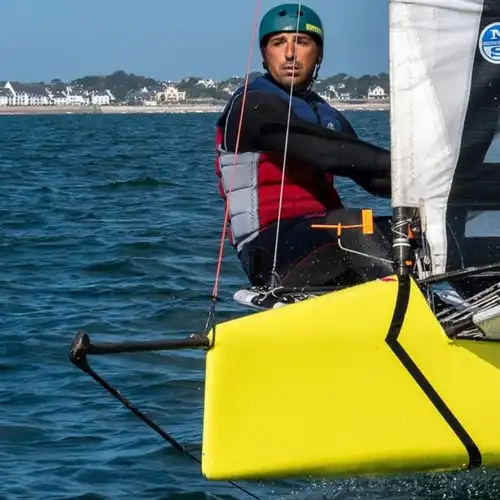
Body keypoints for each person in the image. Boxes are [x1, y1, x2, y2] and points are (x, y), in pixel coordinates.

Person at [215, 3, 393, 288]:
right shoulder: (251, 105)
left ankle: (477, 308)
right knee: (354, 225)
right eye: (278, 43)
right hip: (267, 249)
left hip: (325, 235)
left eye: (302, 41)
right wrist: (402, 163)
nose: (289, 53)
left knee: (407, 231)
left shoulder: (328, 116)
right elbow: (322, 151)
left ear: (318, 53)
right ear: (264, 54)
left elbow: (375, 178)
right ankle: (403, 309)